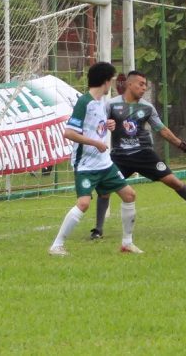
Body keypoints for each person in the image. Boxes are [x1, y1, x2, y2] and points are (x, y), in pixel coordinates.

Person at [90, 70, 186, 240]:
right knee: (105, 189)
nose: (144, 88)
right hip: (120, 156)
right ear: (129, 84)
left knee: (175, 182)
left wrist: (183, 146)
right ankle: (98, 230)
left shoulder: (147, 107)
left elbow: (162, 130)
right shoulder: (111, 105)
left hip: (144, 154)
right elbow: (97, 125)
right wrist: (103, 129)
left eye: (145, 85)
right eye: (141, 84)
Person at [49, 62, 141, 256]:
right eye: (112, 80)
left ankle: (127, 243)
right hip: (85, 165)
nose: (113, 85)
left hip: (104, 163)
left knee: (129, 195)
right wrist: (95, 143)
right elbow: (69, 133)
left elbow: (95, 126)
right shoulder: (85, 102)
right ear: (105, 81)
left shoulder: (101, 103)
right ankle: (57, 245)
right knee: (83, 204)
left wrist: (106, 125)